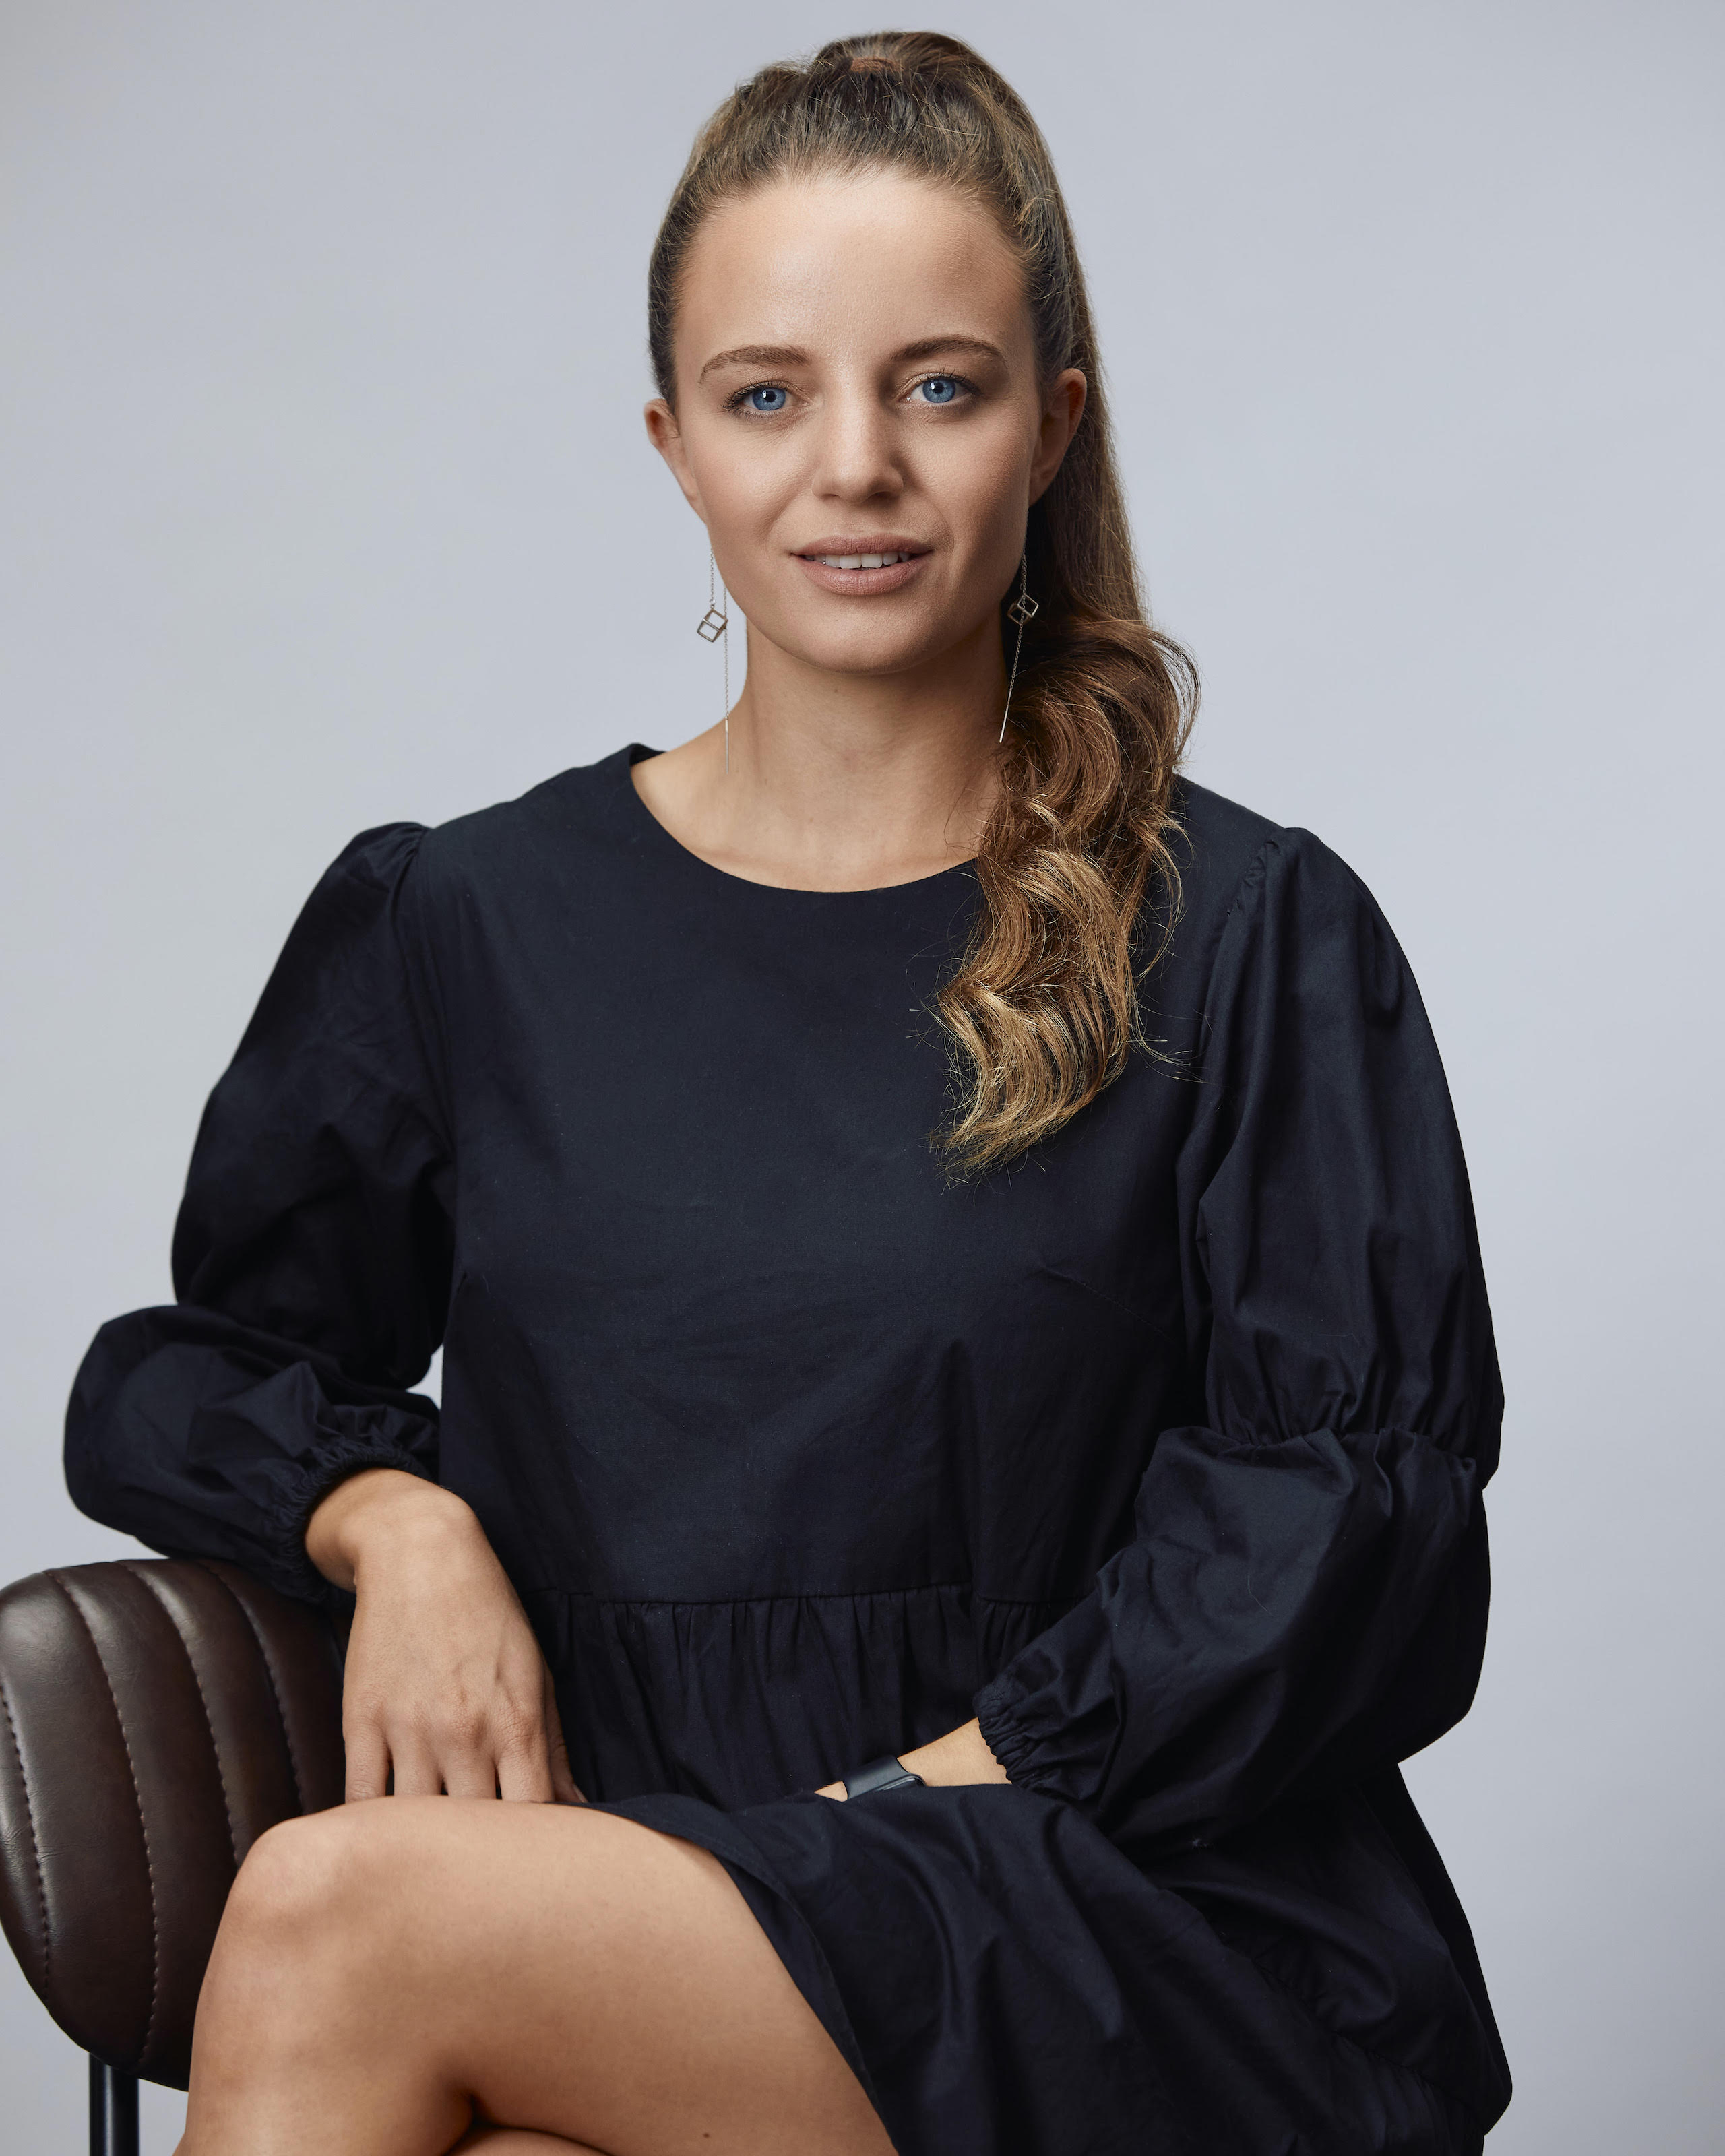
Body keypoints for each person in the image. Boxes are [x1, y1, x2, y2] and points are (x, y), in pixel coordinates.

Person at [65, 31, 1511, 2156]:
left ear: (1051, 427)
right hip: (649, 1926)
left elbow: (1347, 1537)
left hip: (1117, 1918)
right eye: (771, 394)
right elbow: (174, 1383)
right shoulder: (460, 925)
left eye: (941, 384)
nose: (857, 466)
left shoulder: (1251, 934)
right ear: (673, 445)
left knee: (335, 1923)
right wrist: (402, 1520)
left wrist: (919, 1806)